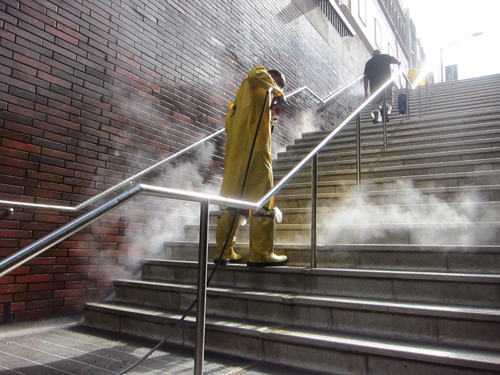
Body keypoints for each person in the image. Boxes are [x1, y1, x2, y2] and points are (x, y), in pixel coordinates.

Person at [214, 67, 289, 267]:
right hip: (255, 155)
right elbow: (258, 74)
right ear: (273, 78)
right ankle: (261, 253)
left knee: (232, 202)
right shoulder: (259, 76)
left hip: (236, 160)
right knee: (263, 199)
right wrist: (279, 93)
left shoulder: (241, 102)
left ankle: (224, 251)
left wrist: (273, 113)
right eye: (278, 85)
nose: (276, 91)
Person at [363, 50, 400, 123]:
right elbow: (394, 61)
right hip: (387, 82)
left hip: (374, 85)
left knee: (376, 102)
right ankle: (385, 108)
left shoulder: (369, 62)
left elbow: (366, 78)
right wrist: (398, 61)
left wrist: (366, 91)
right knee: (388, 98)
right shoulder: (385, 56)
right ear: (379, 53)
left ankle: (376, 116)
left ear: (373, 55)